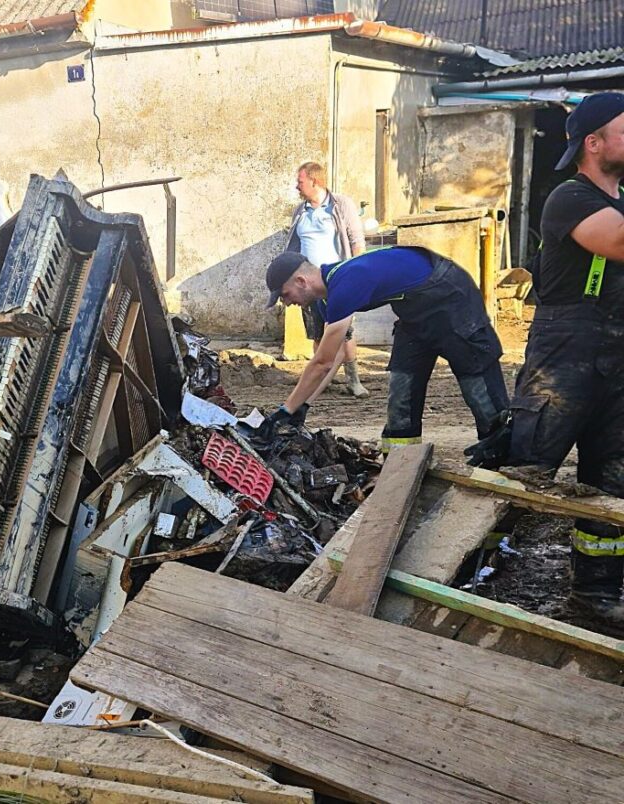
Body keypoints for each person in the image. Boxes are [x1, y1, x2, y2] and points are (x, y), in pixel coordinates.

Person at [483, 92, 624, 624]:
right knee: (525, 470)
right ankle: (468, 571)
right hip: (564, 354)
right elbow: (618, 243)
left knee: (612, 481)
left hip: (618, 357)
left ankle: (596, 596)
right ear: (594, 143)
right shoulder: (568, 197)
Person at [260, 247, 508, 453]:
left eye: (285, 295)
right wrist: (303, 406)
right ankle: (401, 461)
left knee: (476, 383)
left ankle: (501, 448)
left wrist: (285, 410)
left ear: (301, 281)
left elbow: (321, 362)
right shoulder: (326, 301)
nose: (287, 303)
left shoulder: (346, 283)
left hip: (449, 295)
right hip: (415, 314)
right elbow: (335, 357)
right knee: (402, 386)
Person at [281, 161, 369, 398]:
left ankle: (353, 380)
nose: (296, 187)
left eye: (300, 182)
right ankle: (321, 378)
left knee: (343, 330)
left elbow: (356, 240)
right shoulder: (300, 211)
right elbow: (293, 245)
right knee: (317, 330)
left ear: (314, 181)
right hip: (307, 284)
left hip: (335, 279)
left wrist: (354, 271)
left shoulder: (340, 206)